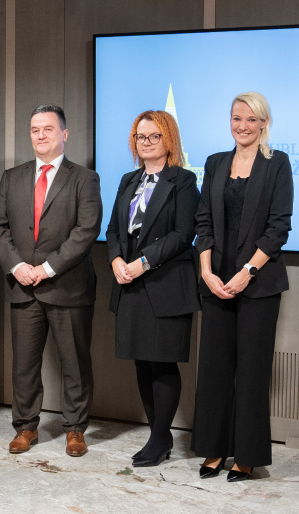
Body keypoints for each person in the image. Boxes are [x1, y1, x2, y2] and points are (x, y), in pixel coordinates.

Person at [191, 92, 293, 482]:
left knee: (251, 371)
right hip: (215, 280)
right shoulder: (216, 163)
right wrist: (206, 272)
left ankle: (247, 455)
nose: (242, 126)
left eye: (251, 120)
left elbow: (279, 227)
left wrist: (247, 271)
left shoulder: (277, 163)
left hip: (258, 282)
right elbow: (203, 223)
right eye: (236, 118)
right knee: (215, 369)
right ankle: (214, 450)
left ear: (264, 123)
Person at [0, 105, 102, 457]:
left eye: (48, 129)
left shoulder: (84, 178)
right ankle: (25, 428)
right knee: (23, 365)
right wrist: (16, 266)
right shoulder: (12, 177)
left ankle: (74, 430)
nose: (41, 135)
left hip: (67, 286)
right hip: (22, 285)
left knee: (75, 365)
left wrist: (48, 268)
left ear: (64, 134)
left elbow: (87, 231)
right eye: (35, 129)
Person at [106, 110, 200, 467]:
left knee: (162, 364)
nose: (145, 143)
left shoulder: (184, 181)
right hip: (128, 283)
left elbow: (182, 234)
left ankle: (160, 439)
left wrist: (142, 263)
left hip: (164, 283)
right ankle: (157, 434)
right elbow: (114, 229)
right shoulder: (129, 179)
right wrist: (116, 261)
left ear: (168, 140)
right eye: (140, 137)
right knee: (142, 364)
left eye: (153, 137)